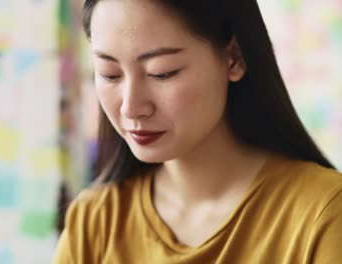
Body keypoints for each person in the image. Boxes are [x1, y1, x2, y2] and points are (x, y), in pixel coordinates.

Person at [53, 0, 342, 263]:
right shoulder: (94, 220)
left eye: (161, 72)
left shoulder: (323, 214)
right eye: (110, 73)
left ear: (234, 58)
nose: (131, 108)